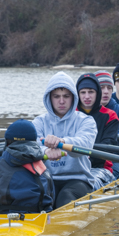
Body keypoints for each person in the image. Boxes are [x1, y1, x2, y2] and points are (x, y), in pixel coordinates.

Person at [33, 71, 98, 207]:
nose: (61, 101)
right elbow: (31, 148)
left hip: (78, 179)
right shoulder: (39, 122)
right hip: (46, 178)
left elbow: (84, 146)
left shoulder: (86, 121)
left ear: (73, 97)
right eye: (56, 96)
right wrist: (45, 152)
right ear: (49, 98)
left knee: (64, 199)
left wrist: (62, 143)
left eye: (66, 96)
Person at [0, 119, 55, 214]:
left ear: (7, 142)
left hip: (4, 219)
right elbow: (51, 197)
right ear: (34, 142)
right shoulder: (42, 165)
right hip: (40, 219)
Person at [76, 73, 119, 189]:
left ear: (97, 93)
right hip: (73, 167)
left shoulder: (110, 115)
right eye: (83, 92)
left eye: (91, 92)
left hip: (100, 168)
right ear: (77, 94)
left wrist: (81, 150)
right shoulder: (70, 114)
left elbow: (108, 146)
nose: (87, 96)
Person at [96, 70, 119, 178]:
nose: (106, 91)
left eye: (109, 88)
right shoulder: (83, 112)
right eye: (102, 87)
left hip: (115, 158)